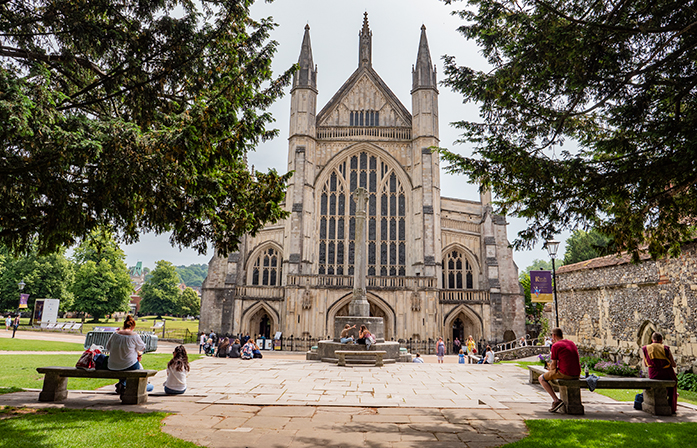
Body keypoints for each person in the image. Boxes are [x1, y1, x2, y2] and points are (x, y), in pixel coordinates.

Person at [538, 328, 581, 413]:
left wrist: (550, 369)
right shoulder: (571, 342)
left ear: (554, 336)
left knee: (541, 378)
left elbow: (553, 365)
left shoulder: (556, 345)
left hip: (566, 373)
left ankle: (556, 400)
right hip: (577, 373)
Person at [106, 315, 146, 396]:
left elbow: (108, 347)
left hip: (112, 365)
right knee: (138, 370)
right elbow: (142, 347)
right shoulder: (134, 335)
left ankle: (122, 384)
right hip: (129, 364)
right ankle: (124, 385)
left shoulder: (115, 334)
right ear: (133, 326)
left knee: (124, 365)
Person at [642, 332, 678, 414]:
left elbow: (646, 364)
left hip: (653, 373)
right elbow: (673, 364)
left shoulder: (645, 348)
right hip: (666, 373)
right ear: (661, 340)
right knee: (673, 384)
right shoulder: (665, 348)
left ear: (652, 339)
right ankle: (671, 407)